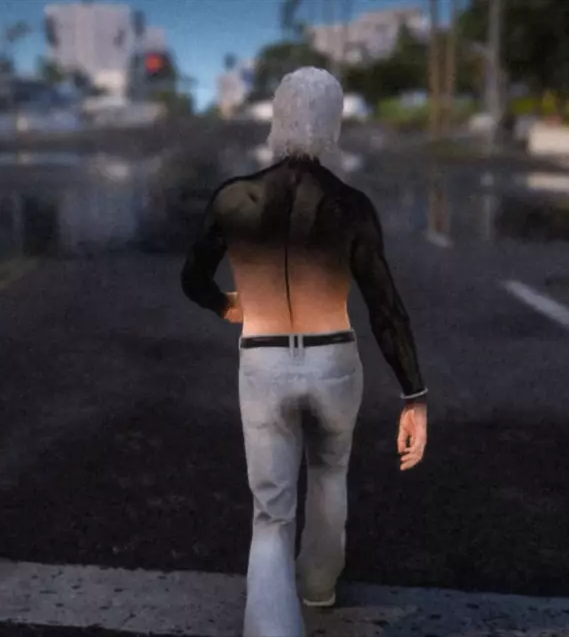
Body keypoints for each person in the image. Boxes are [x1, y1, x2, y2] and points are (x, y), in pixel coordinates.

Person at [180, 67, 429, 636]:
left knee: (271, 512)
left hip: (263, 357)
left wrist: (227, 306)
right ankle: (318, 588)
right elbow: (385, 308)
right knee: (329, 474)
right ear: (332, 123)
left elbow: (192, 279)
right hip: (334, 358)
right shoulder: (352, 206)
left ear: (279, 116)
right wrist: (413, 393)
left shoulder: (234, 197)